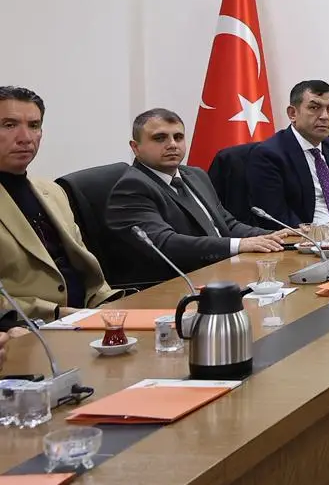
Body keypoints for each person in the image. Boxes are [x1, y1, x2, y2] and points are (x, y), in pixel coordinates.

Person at [106, 108, 296, 281]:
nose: (172, 144)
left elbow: (227, 225)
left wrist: (273, 235)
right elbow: (164, 244)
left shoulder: (195, 175)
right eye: (159, 138)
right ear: (135, 147)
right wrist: (239, 245)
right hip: (175, 284)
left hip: (221, 272)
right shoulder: (132, 187)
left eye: (178, 137)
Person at [0, 86, 114, 320]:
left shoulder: (53, 192)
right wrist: (57, 313)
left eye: (34, 125)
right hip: (31, 326)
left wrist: (110, 304)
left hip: (88, 316)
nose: (25, 138)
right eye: (9, 125)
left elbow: (86, 270)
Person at [245, 80, 329, 228]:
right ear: (293, 113)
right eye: (314, 108)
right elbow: (274, 217)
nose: (325, 116)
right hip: (305, 237)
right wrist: (317, 233)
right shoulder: (269, 155)